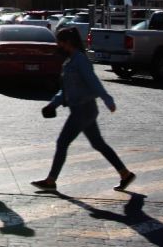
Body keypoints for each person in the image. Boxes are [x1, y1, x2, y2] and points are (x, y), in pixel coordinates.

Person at [32, 27, 136, 192]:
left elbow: (93, 81)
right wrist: (53, 104)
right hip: (83, 109)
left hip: (83, 109)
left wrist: (107, 99)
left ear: (68, 43)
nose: (58, 46)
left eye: (60, 42)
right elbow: (67, 90)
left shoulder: (80, 60)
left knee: (62, 142)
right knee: (98, 144)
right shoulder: (71, 61)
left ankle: (51, 180)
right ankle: (125, 174)